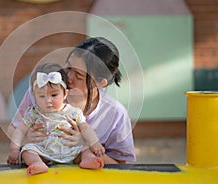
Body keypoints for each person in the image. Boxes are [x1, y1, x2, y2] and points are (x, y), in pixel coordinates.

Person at [7, 37, 136, 165]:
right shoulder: (41, 93)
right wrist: (26, 138)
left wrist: (86, 143)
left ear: (99, 83)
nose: (68, 77)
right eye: (68, 67)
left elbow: (119, 166)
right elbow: (13, 128)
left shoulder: (115, 114)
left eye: (78, 76)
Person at [7, 63, 105, 175]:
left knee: (85, 147)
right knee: (27, 151)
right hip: (43, 151)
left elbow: (86, 128)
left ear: (65, 94)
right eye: (42, 96)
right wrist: (14, 150)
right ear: (34, 95)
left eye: (54, 95)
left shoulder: (73, 112)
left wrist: (95, 143)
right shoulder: (33, 113)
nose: (48, 100)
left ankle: (88, 159)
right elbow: (19, 130)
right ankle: (37, 163)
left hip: (70, 150)